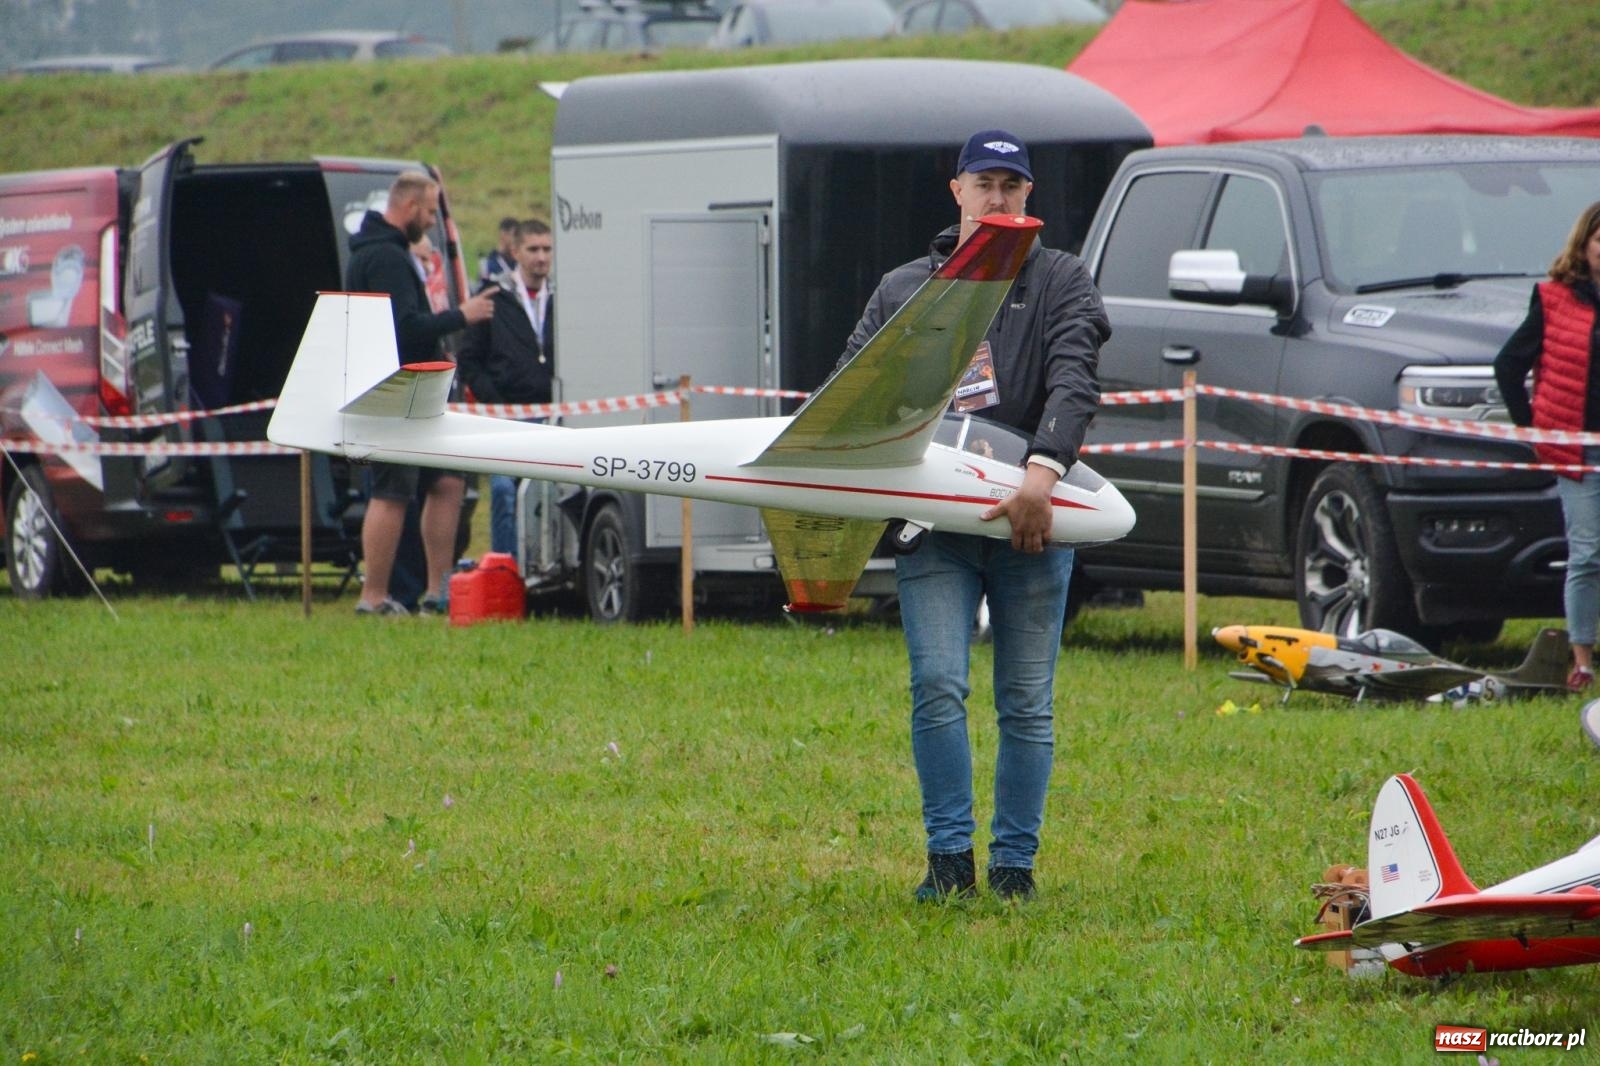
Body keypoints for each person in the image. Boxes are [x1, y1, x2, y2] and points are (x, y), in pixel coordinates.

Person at [838, 130, 1109, 902]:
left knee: (1026, 701)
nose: (998, 196)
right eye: (984, 183)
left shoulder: (1061, 280)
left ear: (1030, 198)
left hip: (1034, 519)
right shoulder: (904, 289)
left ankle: (1015, 868)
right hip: (936, 528)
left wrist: (1040, 477)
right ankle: (950, 863)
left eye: (1012, 185)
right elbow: (851, 385)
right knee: (936, 685)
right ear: (956, 191)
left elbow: (1075, 380)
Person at [346, 170, 495, 616]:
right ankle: (372, 597)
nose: (432, 221)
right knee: (391, 491)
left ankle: (437, 593)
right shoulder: (387, 258)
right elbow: (405, 327)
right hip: (395, 387)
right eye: (430, 211)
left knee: (447, 482)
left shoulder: (384, 253)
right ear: (409, 208)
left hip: (413, 388)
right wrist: (460, 316)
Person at [1494, 200, 1600, 692]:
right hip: (1579, 453)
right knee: (1587, 553)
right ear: (1584, 245)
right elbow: (1508, 365)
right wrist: (1533, 431)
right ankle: (1581, 658)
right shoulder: (1554, 298)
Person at [458, 219, 555, 558]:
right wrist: (496, 402)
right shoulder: (492, 297)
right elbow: (468, 358)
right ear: (515, 252)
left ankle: (545, 566)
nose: (541, 257)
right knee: (503, 491)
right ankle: (504, 570)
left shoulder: (562, 297)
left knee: (553, 492)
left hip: (554, 417)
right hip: (505, 418)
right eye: (533, 249)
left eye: (547, 249)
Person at [478, 216, 520, 288]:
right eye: (514, 235)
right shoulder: (487, 264)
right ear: (503, 234)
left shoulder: (520, 263)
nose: (517, 240)